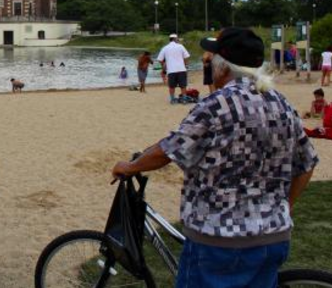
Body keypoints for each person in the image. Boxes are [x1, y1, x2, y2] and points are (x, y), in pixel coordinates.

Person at [112, 27, 318, 287]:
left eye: (211, 59)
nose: (208, 64)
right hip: (273, 237)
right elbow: (307, 163)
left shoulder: (217, 104)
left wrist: (130, 166)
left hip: (219, 241)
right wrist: (284, 207)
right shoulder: (281, 102)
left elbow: (168, 150)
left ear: (223, 65)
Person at [157, 34, 190, 104]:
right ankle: (184, 99)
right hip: (181, 69)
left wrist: (164, 66)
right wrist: (186, 65)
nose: (178, 40)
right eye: (177, 39)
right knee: (183, 85)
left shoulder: (165, 48)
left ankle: (172, 99)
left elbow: (160, 59)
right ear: (175, 39)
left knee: (172, 86)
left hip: (171, 70)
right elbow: (186, 57)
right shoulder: (180, 46)